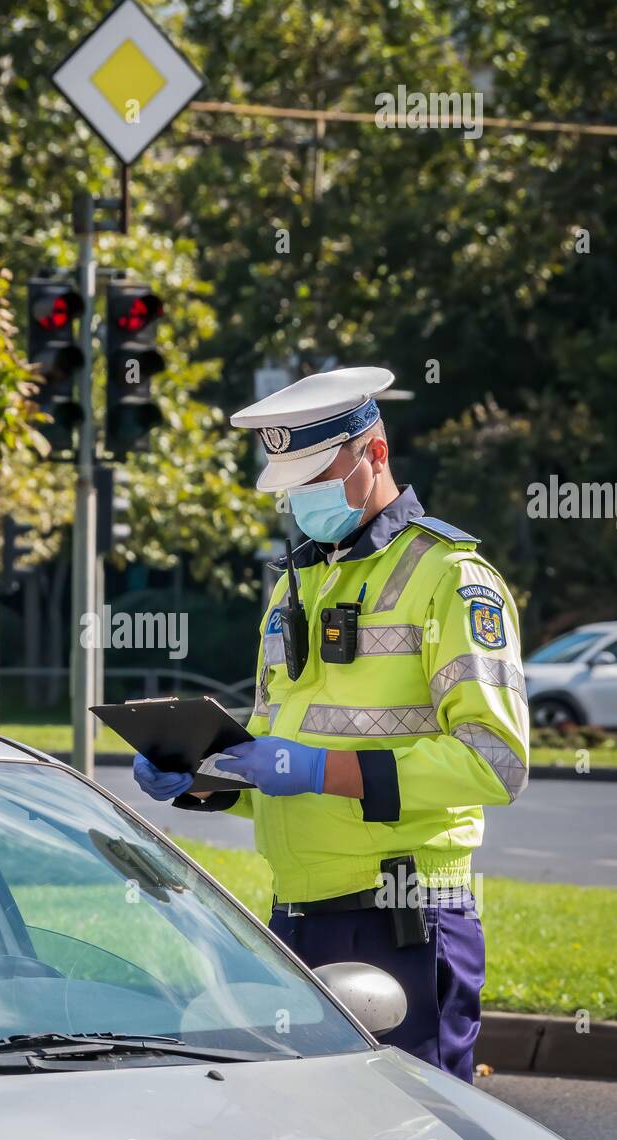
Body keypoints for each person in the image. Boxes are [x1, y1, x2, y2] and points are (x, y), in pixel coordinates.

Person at [133, 366, 529, 1082]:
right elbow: (278, 761)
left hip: (405, 917)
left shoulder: (452, 577)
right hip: (297, 917)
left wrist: (319, 770)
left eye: (318, 476)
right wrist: (202, 777)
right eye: (293, 485)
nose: (301, 499)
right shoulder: (296, 583)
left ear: (375, 452)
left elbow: (493, 760)